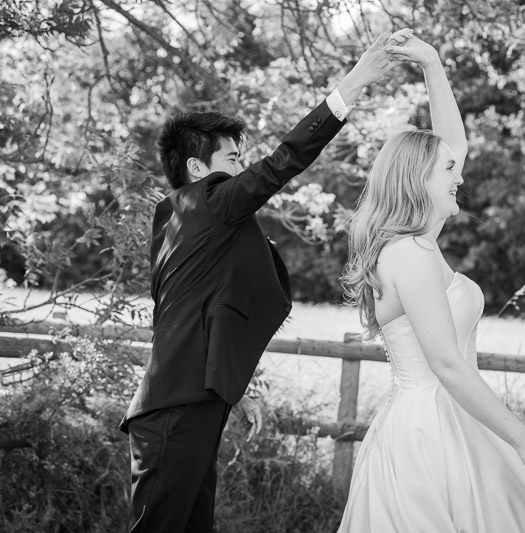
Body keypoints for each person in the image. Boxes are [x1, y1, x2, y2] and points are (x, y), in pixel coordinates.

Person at [119, 31, 407, 533]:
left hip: (190, 402)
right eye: (232, 159)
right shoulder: (208, 202)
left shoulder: (180, 221)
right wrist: (357, 80)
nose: (242, 169)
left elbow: (196, 316)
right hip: (173, 411)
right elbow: (284, 161)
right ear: (197, 169)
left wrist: (232, 388)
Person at [338, 31, 525, 532]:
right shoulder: (409, 254)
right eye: (449, 170)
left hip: (461, 417)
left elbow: (456, 144)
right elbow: (447, 364)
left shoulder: (419, 242)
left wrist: (432, 63)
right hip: (429, 433)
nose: (460, 177)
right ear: (418, 180)